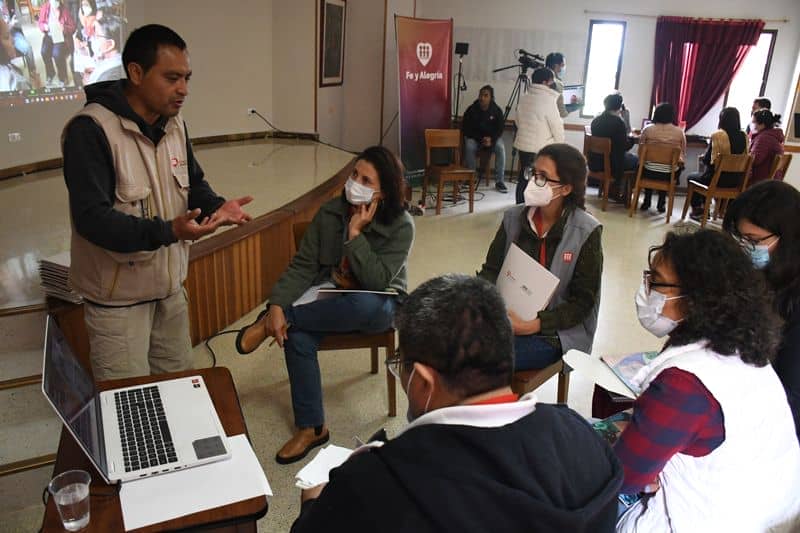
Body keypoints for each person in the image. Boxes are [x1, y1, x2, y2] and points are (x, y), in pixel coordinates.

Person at [290, 274, 624, 533]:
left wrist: (313, 507)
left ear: (422, 380)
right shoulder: (582, 438)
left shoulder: (374, 483)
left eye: (401, 364)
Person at [61, 24, 253, 381]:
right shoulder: (90, 130)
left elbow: (193, 184)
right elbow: (92, 220)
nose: (183, 89)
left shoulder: (175, 125)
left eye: (187, 78)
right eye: (172, 77)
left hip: (169, 296)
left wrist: (217, 207)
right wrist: (168, 231)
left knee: (179, 392)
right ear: (136, 72)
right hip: (117, 308)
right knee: (131, 408)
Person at [234, 145, 414, 465]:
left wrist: (355, 234)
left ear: (383, 193)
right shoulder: (330, 211)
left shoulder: (401, 225)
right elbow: (303, 265)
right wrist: (277, 302)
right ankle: (313, 426)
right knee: (297, 336)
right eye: (354, 174)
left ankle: (280, 319)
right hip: (331, 293)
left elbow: (376, 281)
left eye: (366, 180)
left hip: (379, 301)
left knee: (364, 307)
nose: (354, 182)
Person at [614, 230, 800, 532]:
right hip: (763, 513)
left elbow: (623, 475)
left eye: (656, 281)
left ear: (695, 300)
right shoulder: (744, 350)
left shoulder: (683, 384)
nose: (647, 290)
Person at [478, 143, 601, 370]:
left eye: (543, 177)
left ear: (565, 188)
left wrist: (533, 325)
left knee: (484, 359)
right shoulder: (513, 217)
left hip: (556, 332)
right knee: (455, 341)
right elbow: (491, 270)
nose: (533, 182)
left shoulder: (586, 231)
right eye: (532, 174)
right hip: (506, 316)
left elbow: (582, 303)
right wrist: (483, 305)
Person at [723, 181, 800, 441]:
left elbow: (790, 394)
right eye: (740, 238)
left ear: (788, 238)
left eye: (753, 240)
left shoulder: (794, 300)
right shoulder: (761, 275)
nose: (745, 247)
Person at [513, 67, 565, 204]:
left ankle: (519, 206)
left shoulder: (524, 97)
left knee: (524, 177)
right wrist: (560, 146)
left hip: (524, 146)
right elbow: (557, 128)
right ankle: (534, 208)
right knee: (539, 181)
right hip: (541, 148)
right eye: (551, 81)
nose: (553, 83)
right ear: (545, 82)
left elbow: (518, 121)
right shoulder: (549, 101)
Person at [687, 107, 748, 219]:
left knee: (692, 177)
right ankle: (713, 210)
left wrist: (704, 157)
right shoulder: (744, 136)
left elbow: (708, 161)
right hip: (735, 181)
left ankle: (699, 209)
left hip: (717, 180)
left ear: (722, 119)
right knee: (704, 176)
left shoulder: (718, 136)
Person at [637, 102, 686, 213]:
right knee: (675, 168)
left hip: (649, 171)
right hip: (668, 174)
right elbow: (682, 153)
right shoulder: (679, 132)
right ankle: (661, 202)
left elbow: (640, 152)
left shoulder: (647, 129)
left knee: (645, 164)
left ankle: (647, 200)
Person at [589, 94, 637, 202]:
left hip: (595, 162)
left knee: (626, 158)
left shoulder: (596, 121)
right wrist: (633, 140)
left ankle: (612, 189)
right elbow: (624, 147)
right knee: (636, 160)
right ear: (619, 107)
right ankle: (620, 192)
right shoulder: (619, 123)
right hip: (612, 164)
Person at [461, 85, 507, 193]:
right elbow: (466, 129)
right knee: (469, 146)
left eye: (486, 95)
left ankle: (499, 181)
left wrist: (491, 140)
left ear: (491, 97)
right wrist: (481, 139)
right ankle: (471, 178)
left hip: (492, 139)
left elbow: (500, 129)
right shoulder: (471, 109)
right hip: (476, 139)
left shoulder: (496, 110)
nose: (482, 98)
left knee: (500, 147)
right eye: (481, 95)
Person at [38, 0, 75, 87]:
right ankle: (50, 73)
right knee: (44, 52)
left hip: (61, 36)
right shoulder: (45, 7)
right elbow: (40, 23)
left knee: (57, 54)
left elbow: (73, 27)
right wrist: (44, 26)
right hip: (49, 35)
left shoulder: (65, 9)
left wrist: (64, 28)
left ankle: (63, 77)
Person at [747, 108, 784, 186]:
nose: (751, 125)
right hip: (772, 180)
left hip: (760, 182)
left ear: (762, 124)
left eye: (754, 122)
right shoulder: (772, 136)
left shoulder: (764, 138)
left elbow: (754, 160)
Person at [83, 13, 123, 84]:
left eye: (97, 36)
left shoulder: (104, 79)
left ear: (110, 44)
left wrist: (86, 81)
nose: (93, 39)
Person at [0, 11, 29, 91]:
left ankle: (33, 71)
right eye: (6, 38)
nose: (13, 41)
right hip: (8, 29)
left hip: (14, 31)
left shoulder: (12, 3)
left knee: (27, 48)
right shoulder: (16, 82)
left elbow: (20, 23)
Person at [545, 52, 569, 118]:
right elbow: (561, 112)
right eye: (563, 65)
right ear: (556, 66)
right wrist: (570, 109)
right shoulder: (556, 83)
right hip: (549, 120)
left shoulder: (538, 77)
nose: (564, 68)